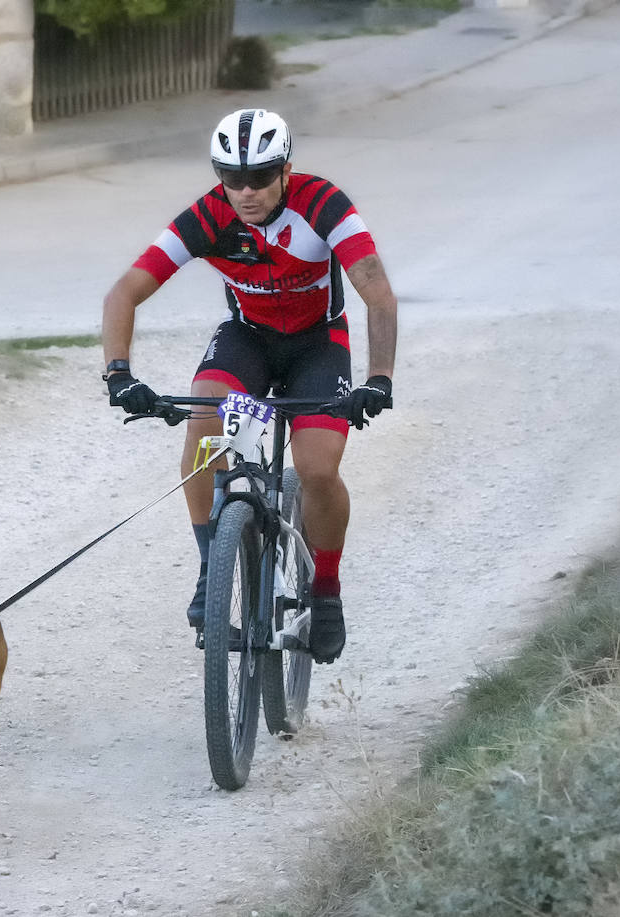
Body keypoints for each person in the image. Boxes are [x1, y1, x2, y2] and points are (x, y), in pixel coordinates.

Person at [100, 108, 397, 664]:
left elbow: (377, 292)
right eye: (231, 178)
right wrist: (119, 374)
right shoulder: (209, 216)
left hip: (317, 343)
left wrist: (379, 380)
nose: (245, 191)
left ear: (287, 168)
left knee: (317, 469)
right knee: (205, 421)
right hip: (249, 341)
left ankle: (326, 590)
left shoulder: (323, 204)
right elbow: (123, 293)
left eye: (260, 177)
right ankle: (213, 569)